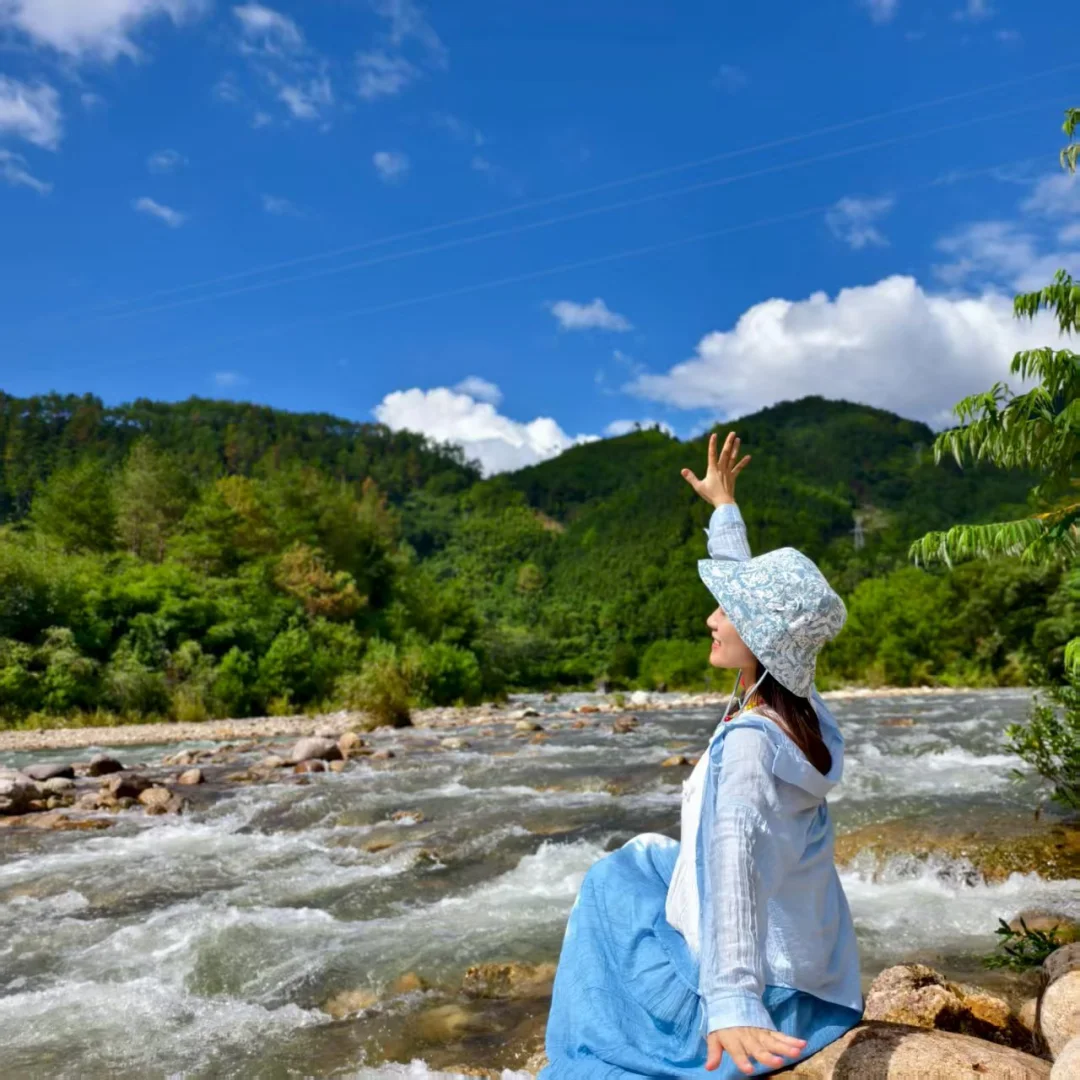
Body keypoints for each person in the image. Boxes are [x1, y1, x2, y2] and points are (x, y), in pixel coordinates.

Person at [540, 432, 862, 1078]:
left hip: (771, 996)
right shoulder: (798, 709)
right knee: (637, 864)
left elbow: (733, 860)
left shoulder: (748, 745)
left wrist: (734, 1002)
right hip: (818, 975)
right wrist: (724, 510)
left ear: (764, 641)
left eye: (728, 611)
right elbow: (757, 602)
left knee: (606, 893)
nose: (712, 619)